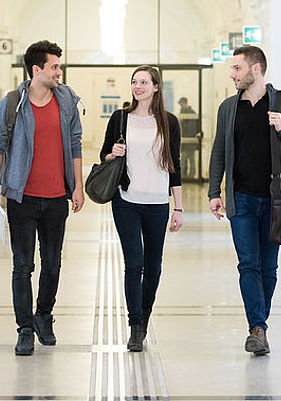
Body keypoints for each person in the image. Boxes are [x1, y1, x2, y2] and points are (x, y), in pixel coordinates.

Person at [208, 46, 281, 356]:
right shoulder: (228, 108)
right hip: (240, 198)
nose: (232, 74)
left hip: (274, 200)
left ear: (256, 70)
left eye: (237, 69)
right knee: (248, 265)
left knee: (269, 267)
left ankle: (259, 325)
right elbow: (219, 152)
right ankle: (258, 327)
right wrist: (215, 191)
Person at [0, 40, 84, 356]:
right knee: (23, 265)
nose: (59, 72)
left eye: (59, 66)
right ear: (36, 69)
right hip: (22, 197)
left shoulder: (66, 100)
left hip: (57, 197)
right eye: (54, 66)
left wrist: (77, 186)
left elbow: (76, 143)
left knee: (52, 263)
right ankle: (25, 328)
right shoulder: (13, 102)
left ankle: (44, 315)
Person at [100, 66, 184, 352]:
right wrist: (113, 153)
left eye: (144, 82)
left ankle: (145, 317)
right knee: (133, 264)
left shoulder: (169, 122)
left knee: (154, 266)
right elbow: (104, 154)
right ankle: (135, 325)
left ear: (156, 87)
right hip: (126, 200)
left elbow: (175, 165)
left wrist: (179, 207)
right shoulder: (120, 118)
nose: (138, 86)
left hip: (158, 203)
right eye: (134, 82)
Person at [177, 97, 201, 179]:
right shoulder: (192, 113)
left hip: (188, 140)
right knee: (190, 159)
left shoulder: (188, 113)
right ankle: (189, 175)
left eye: (181, 105)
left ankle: (185, 175)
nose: (181, 106)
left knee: (185, 158)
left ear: (184, 103)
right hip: (189, 140)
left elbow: (190, 128)